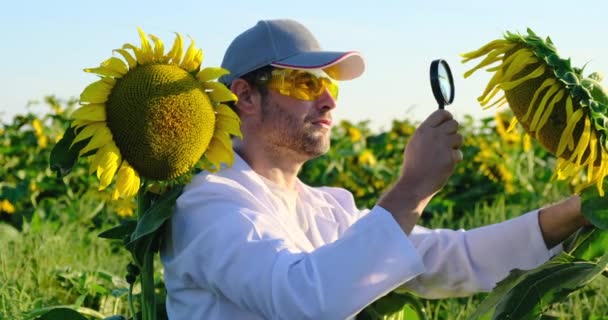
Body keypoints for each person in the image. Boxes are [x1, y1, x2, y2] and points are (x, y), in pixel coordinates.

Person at [160, 19, 589, 320]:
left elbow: (452, 258)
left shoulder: (326, 208)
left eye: (330, 83)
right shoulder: (210, 203)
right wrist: (413, 188)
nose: (328, 100)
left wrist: (579, 209)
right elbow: (304, 302)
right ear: (246, 97)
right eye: (306, 83)